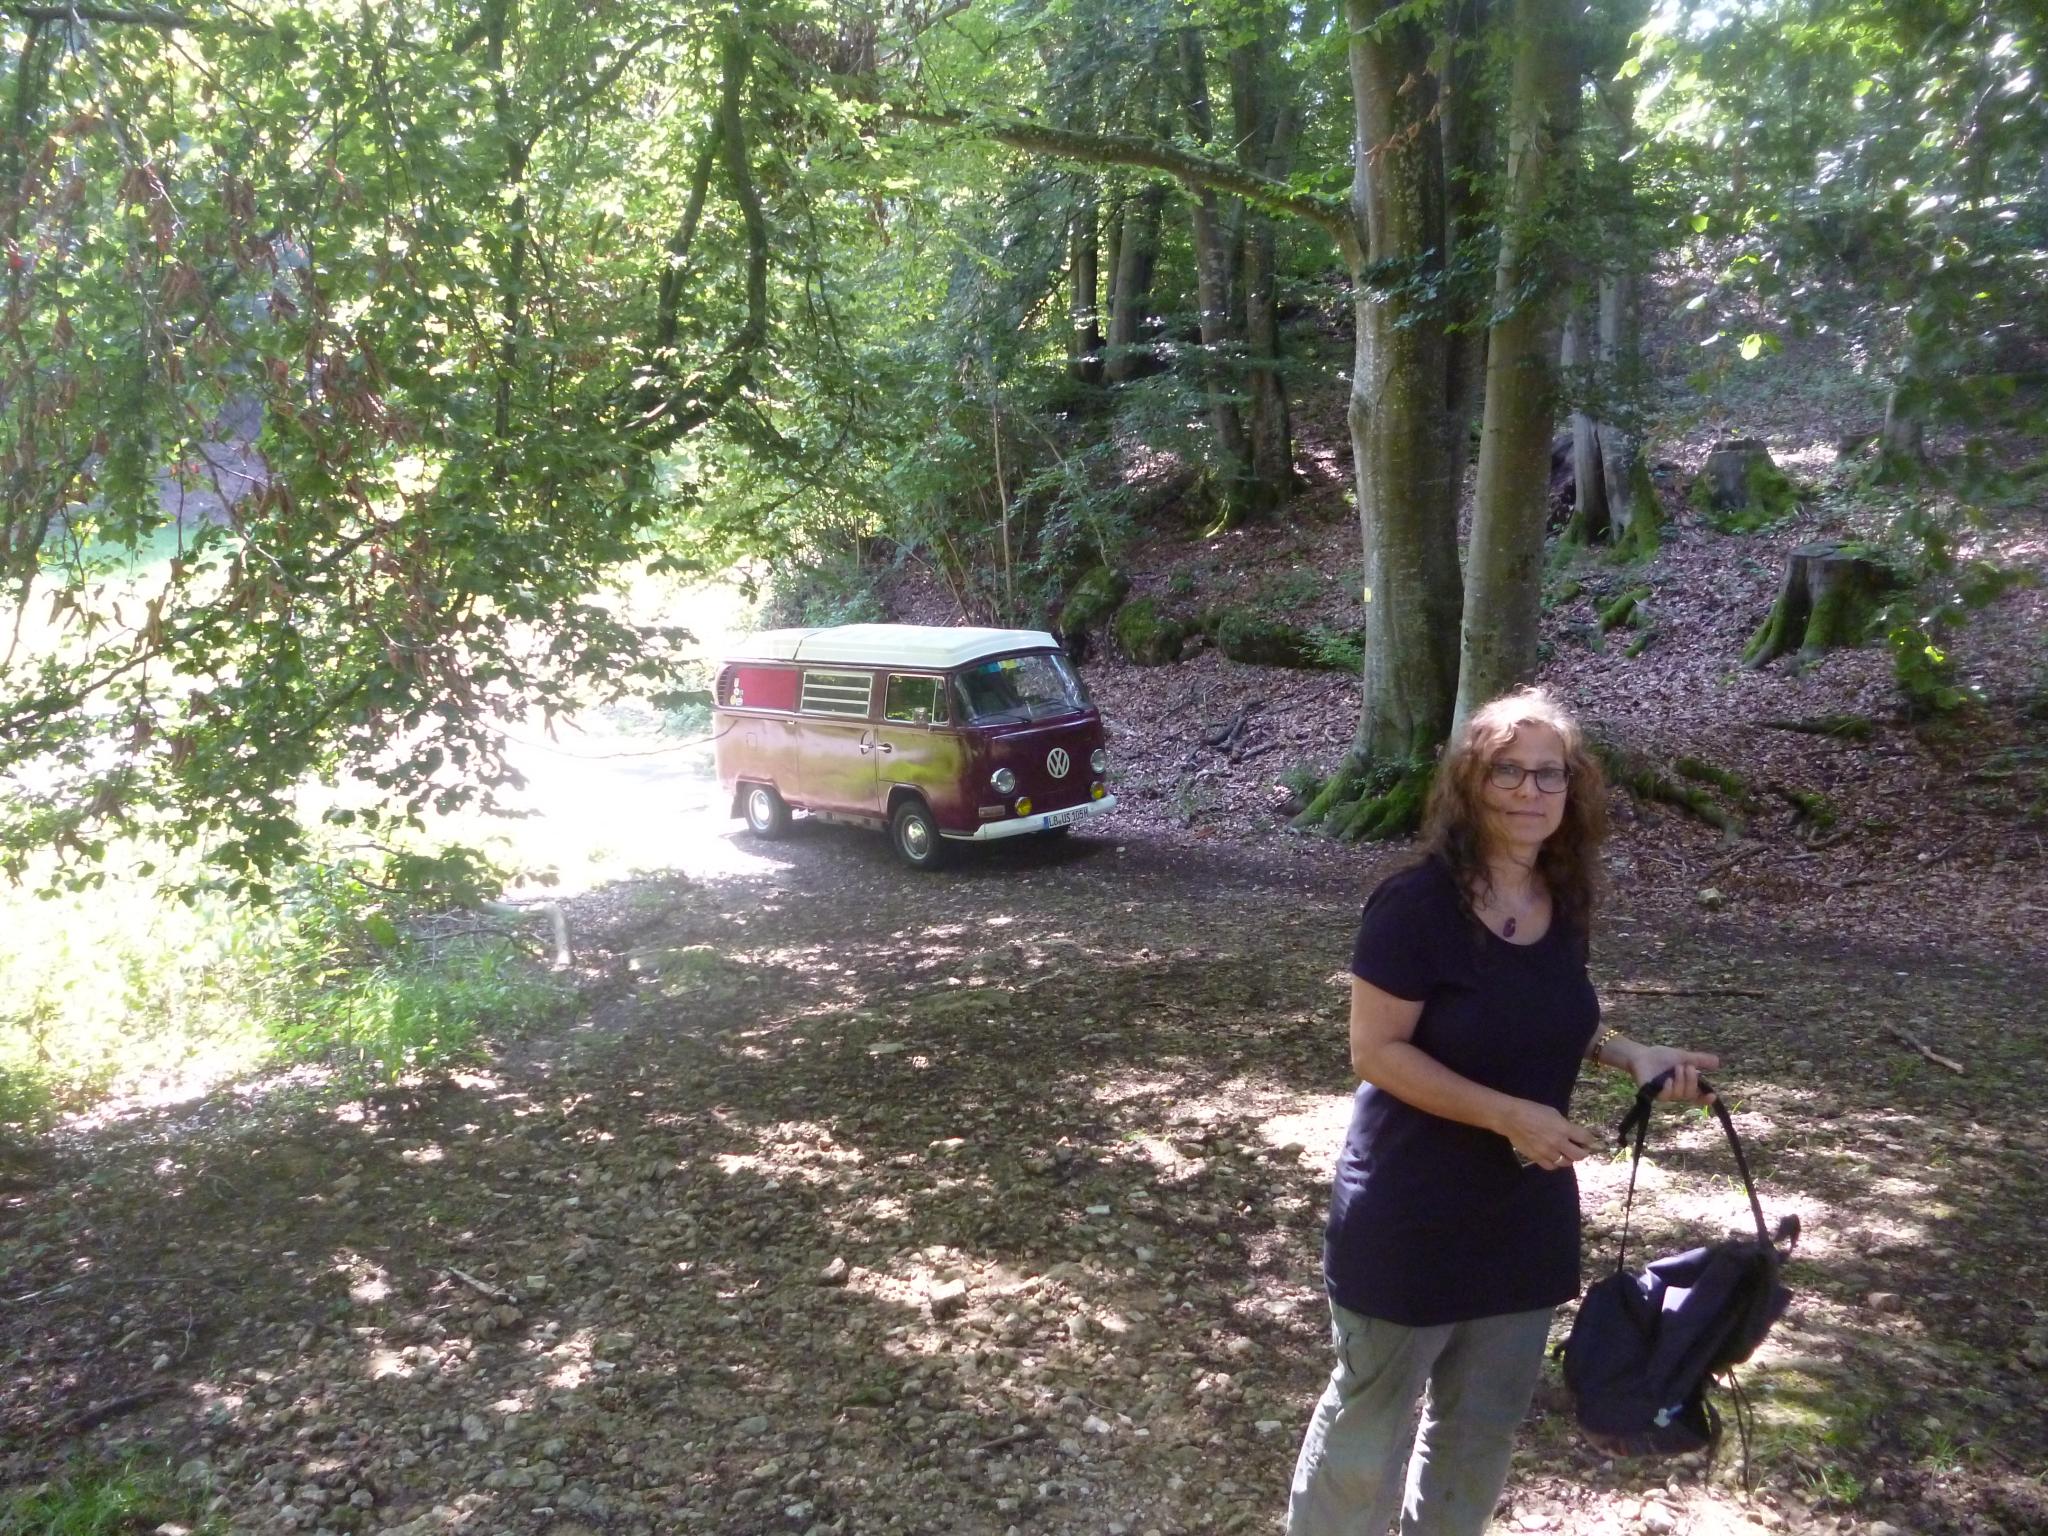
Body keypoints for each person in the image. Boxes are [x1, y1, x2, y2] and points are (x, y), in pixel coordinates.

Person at [1287, 688, 1719, 1536]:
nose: (1530, 790)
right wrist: (1508, 1115)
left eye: (1549, 774)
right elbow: (1376, 1051)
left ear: (1572, 789)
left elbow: (1547, 1011)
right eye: (1507, 771)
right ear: (1469, 785)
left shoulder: (1562, 899)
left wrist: (1631, 1053)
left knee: (1479, 1433)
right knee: (1368, 1433)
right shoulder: (1414, 906)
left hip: (1522, 1217)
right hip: (1408, 1213)